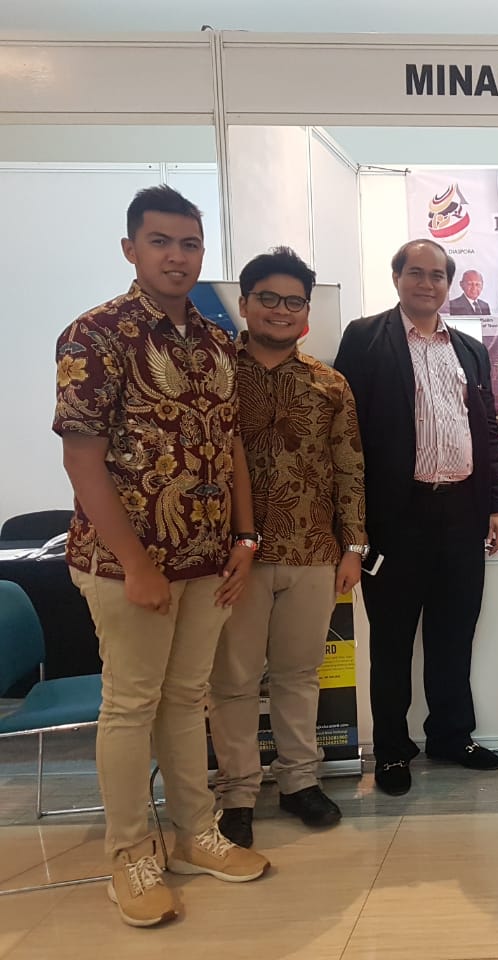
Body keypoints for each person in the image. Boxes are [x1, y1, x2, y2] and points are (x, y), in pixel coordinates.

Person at [53, 185, 268, 928]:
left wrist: (245, 539)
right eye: (161, 242)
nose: (177, 257)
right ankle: (129, 854)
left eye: (189, 244)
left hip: (208, 559)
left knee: (187, 699)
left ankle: (193, 834)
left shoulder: (215, 341)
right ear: (131, 249)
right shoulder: (95, 335)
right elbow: (82, 460)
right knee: (131, 704)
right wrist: (137, 563)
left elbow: (231, 446)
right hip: (126, 565)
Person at [333, 239, 498, 796]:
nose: (427, 283)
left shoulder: (469, 350)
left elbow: (486, 430)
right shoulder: (365, 338)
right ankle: (392, 750)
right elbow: (344, 433)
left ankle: (451, 735)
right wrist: (353, 524)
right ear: (397, 278)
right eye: (416, 272)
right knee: (391, 641)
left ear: (448, 285)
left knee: (454, 634)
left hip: (461, 513)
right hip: (396, 517)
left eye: (437, 275)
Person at [208, 247, 367, 849]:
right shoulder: (215, 375)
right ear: (245, 303)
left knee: (300, 675)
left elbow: (349, 468)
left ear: (306, 313)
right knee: (234, 680)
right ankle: (238, 793)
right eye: (268, 299)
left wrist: (353, 546)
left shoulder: (330, 383)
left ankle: (300, 782)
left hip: (313, 552)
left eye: (293, 301)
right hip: (232, 559)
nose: (280, 310)